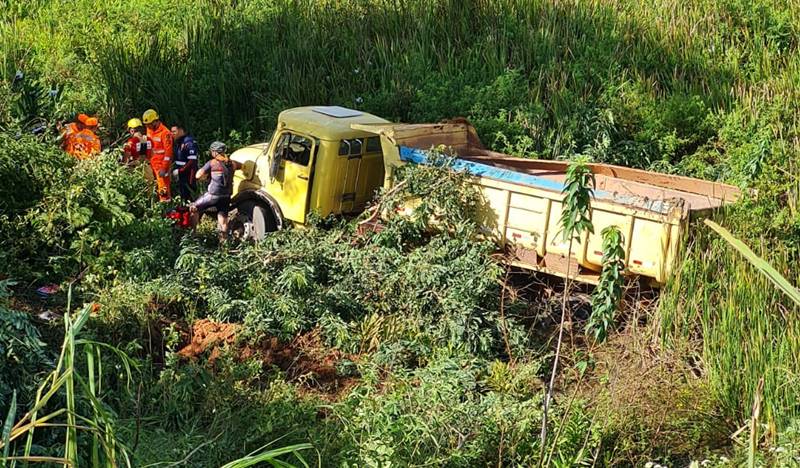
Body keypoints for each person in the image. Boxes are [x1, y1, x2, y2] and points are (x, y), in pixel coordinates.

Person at [191, 141, 241, 239]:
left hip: (213, 196)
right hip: (226, 196)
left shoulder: (212, 163)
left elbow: (198, 175)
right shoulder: (232, 164)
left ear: (214, 152)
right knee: (223, 220)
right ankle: (224, 243)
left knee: (194, 208)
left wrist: (205, 177)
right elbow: (242, 165)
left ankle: (193, 234)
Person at [142, 108, 173, 202]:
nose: (148, 126)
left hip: (161, 165)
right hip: (151, 162)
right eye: (146, 125)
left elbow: (168, 153)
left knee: (163, 188)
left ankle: (165, 206)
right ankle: (152, 202)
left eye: (149, 124)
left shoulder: (165, 133)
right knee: (150, 184)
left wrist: (164, 168)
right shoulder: (149, 129)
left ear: (156, 121)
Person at [171, 124, 199, 202]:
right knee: (183, 196)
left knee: (189, 196)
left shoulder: (188, 142)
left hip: (188, 175)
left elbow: (192, 161)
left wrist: (180, 171)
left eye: (174, 131)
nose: (172, 134)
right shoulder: (178, 142)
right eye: (171, 132)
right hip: (181, 175)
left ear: (181, 131)